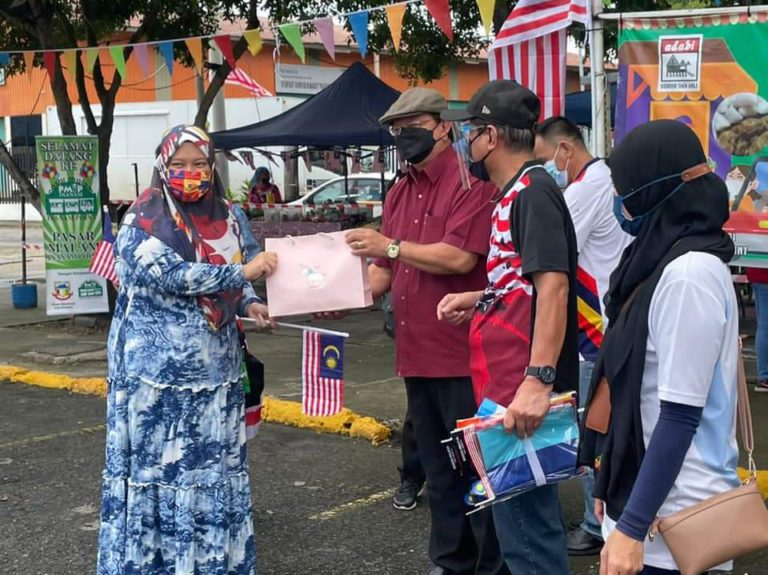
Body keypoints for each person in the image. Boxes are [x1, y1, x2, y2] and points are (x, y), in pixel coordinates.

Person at [336, 87, 506, 575]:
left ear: (443, 127)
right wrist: (339, 298)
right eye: (396, 128)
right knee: (438, 468)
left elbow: (458, 257)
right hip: (416, 355)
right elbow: (383, 276)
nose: (404, 135)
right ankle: (451, 560)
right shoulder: (399, 191)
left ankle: (492, 565)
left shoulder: (472, 186)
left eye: (414, 125)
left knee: (478, 465)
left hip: (463, 356)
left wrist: (390, 246)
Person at [97, 125, 278, 575]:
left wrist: (253, 303)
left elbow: (246, 270)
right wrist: (242, 274)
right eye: (179, 165)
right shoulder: (143, 216)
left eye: (199, 164)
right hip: (155, 382)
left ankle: (211, 564)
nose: (190, 173)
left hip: (215, 376)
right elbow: (174, 276)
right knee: (161, 475)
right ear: (163, 165)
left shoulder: (230, 215)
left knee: (208, 475)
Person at [579, 120, 740, 575]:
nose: (617, 202)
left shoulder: (690, 274)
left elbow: (679, 416)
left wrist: (630, 526)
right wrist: (607, 488)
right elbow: (629, 388)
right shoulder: (651, 263)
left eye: (622, 188)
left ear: (653, 190)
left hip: (677, 524)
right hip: (641, 505)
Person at [438, 80, 579, 575]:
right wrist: (478, 297)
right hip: (503, 385)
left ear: (491, 135)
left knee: (529, 535)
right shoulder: (518, 192)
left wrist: (537, 382)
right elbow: (525, 283)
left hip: (520, 392)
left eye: (470, 132)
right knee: (517, 528)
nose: (466, 145)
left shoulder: (533, 193)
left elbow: (555, 288)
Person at [534, 116, 631, 556]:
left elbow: (548, 247)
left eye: (544, 159)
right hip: (609, 320)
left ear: (565, 151)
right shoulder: (604, 176)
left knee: (592, 426)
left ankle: (597, 526)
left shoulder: (583, 190)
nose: (545, 170)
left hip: (597, 327)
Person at [747, 266, 768, 392]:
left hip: (758, 274)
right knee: (764, 327)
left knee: (763, 326)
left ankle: (763, 376)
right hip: (764, 276)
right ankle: (764, 377)